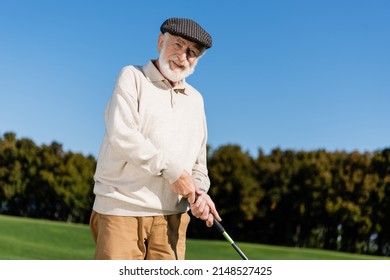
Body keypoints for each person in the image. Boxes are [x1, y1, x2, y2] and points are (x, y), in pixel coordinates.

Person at [89, 17, 221, 260]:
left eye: (192, 52)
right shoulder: (132, 76)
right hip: (122, 210)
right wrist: (174, 173)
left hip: (173, 218)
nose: (182, 56)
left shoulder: (196, 100)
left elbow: (198, 163)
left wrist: (199, 193)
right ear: (161, 42)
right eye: (178, 45)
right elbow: (123, 135)